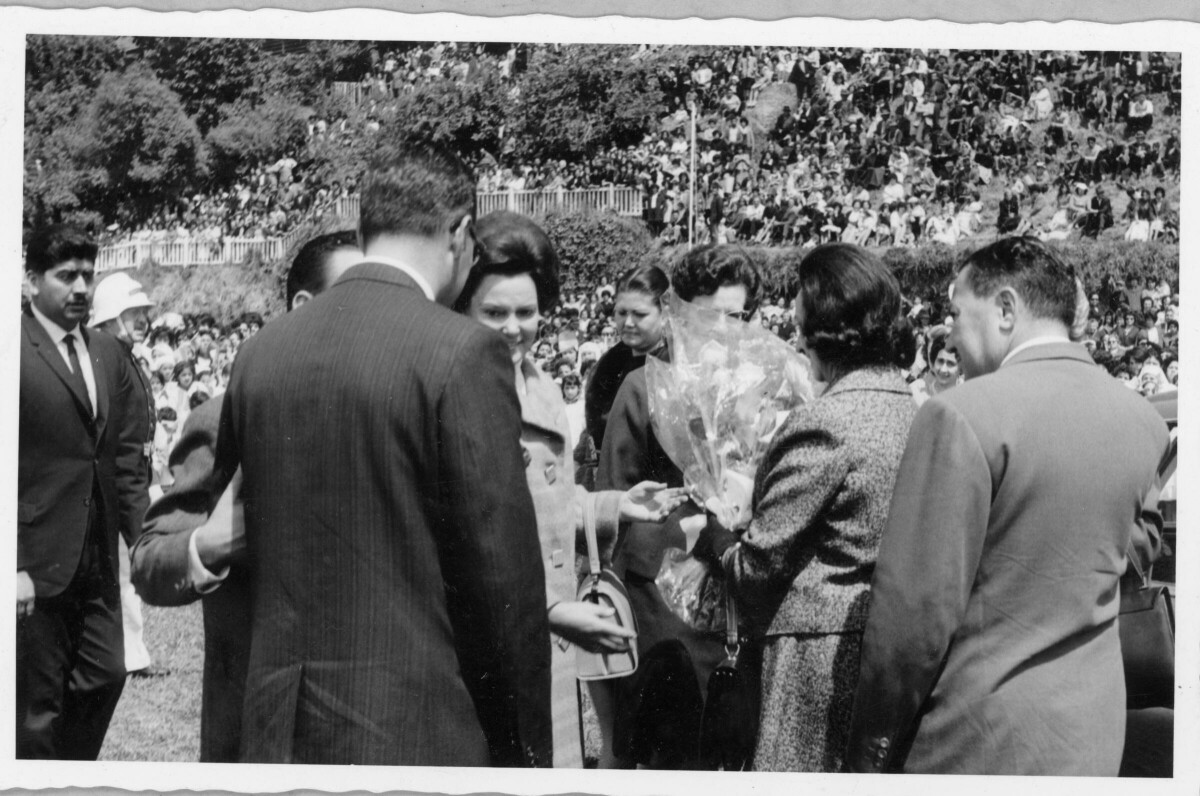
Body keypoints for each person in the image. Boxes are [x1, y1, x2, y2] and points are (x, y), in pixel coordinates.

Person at [176, 145, 553, 766]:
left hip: (279, 732)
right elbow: (500, 579)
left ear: (363, 230)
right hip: (413, 731)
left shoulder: (262, 351)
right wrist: (525, 751)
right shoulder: (462, 352)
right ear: (461, 235)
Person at [846, 236, 1171, 775]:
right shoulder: (1141, 417)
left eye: (954, 313)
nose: (948, 332)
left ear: (1004, 309)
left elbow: (913, 622)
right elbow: (1139, 548)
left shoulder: (960, 414)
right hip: (1091, 732)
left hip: (974, 738)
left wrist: (869, 749)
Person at [454, 210, 685, 767]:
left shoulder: (539, 386)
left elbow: (544, 500)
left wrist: (614, 505)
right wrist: (551, 612)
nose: (514, 328)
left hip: (548, 639)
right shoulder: (451, 390)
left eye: (527, 313)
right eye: (495, 312)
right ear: (461, 309)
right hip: (496, 640)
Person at [130, 230, 360, 762]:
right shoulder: (224, 419)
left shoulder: (400, 417)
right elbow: (150, 562)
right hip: (261, 735)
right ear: (303, 308)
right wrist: (209, 546)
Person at [692, 243, 917, 772]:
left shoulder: (825, 422)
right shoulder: (913, 408)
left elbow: (758, 567)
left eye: (800, 322)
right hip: (881, 646)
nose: (794, 336)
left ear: (824, 330)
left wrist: (716, 538)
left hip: (815, 660)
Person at [597, 243, 763, 770]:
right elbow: (613, 495)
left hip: (736, 586)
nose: (728, 328)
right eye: (713, 315)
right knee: (672, 750)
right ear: (681, 313)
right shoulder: (640, 387)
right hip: (662, 600)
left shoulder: (758, 389)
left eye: (739, 316)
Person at [18, 224, 149, 758]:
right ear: (31, 281)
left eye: (87, 277)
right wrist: (13, 564)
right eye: (65, 275)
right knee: (35, 707)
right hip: (36, 562)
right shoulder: (13, 350)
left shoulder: (106, 352)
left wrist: (146, 543)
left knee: (104, 674)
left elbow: (122, 459)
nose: (79, 288)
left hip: (96, 560)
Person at [89, 271, 161, 679]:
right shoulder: (108, 358)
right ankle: (128, 656)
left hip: (130, 481)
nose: (142, 319)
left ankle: (132, 653)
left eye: (143, 312)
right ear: (111, 316)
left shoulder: (122, 356)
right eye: (133, 312)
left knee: (125, 576)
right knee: (121, 576)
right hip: (116, 488)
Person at [584, 264, 669, 451]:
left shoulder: (673, 367)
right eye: (622, 313)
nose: (628, 323)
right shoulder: (608, 366)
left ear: (664, 314)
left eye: (639, 314)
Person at [909, 326, 961, 406]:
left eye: (950, 364)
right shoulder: (917, 394)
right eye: (940, 361)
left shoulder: (968, 397)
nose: (943, 369)